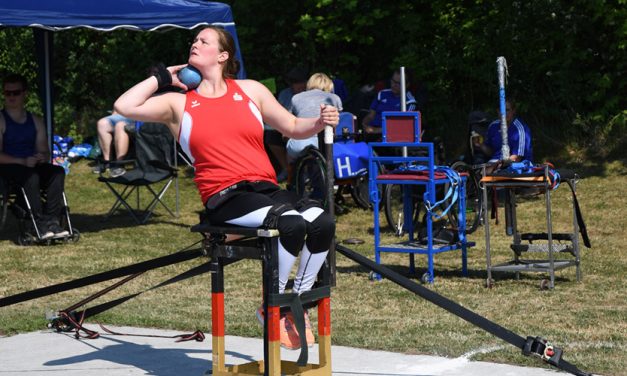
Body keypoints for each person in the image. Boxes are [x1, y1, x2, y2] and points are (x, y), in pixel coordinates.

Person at [113, 26, 339, 350]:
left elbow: (290, 126)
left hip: (265, 188)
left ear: (222, 55)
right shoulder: (179, 104)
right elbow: (124, 106)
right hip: (226, 196)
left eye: (203, 41)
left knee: (322, 222)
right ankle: (271, 306)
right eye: (193, 40)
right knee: (289, 221)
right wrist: (162, 77)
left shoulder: (250, 90)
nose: (194, 44)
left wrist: (319, 122)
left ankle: (294, 304)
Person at [0, 73, 68, 239]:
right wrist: (22, 161)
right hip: (8, 166)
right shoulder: (1, 120)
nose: (11, 97)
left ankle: (52, 221)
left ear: (24, 93)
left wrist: (41, 157)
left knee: (57, 172)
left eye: (15, 92)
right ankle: (36, 223)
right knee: (31, 177)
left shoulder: (35, 120)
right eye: (7, 93)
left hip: (30, 164)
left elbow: (44, 150)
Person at [286, 72, 343, 183]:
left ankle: (291, 176)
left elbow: (290, 121)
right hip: (324, 143)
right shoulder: (334, 98)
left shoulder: (296, 98)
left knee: (289, 146)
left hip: (299, 143)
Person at [265, 67, 308, 182]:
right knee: (270, 136)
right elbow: (279, 112)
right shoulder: (285, 94)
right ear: (291, 85)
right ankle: (287, 169)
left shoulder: (310, 93)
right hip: (288, 126)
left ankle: (305, 172)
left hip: (305, 126)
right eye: (297, 83)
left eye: (302, 82)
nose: (300, 86)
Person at [361, 69, 418, 138]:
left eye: (398, 83)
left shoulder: (410, 102)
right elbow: (371, 115)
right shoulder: (382, 94)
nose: (394, 85)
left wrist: (376, 130)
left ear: (407, 84)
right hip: (371, 134)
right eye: (393, 81)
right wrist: (364, 124)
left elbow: (403, 127)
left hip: (391, 139)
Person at [94, 111, 134, 177]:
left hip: (139, 116)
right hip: (123, 114)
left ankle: (119, 164)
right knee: (102, 123)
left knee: (120, 125)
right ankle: (107, 162)